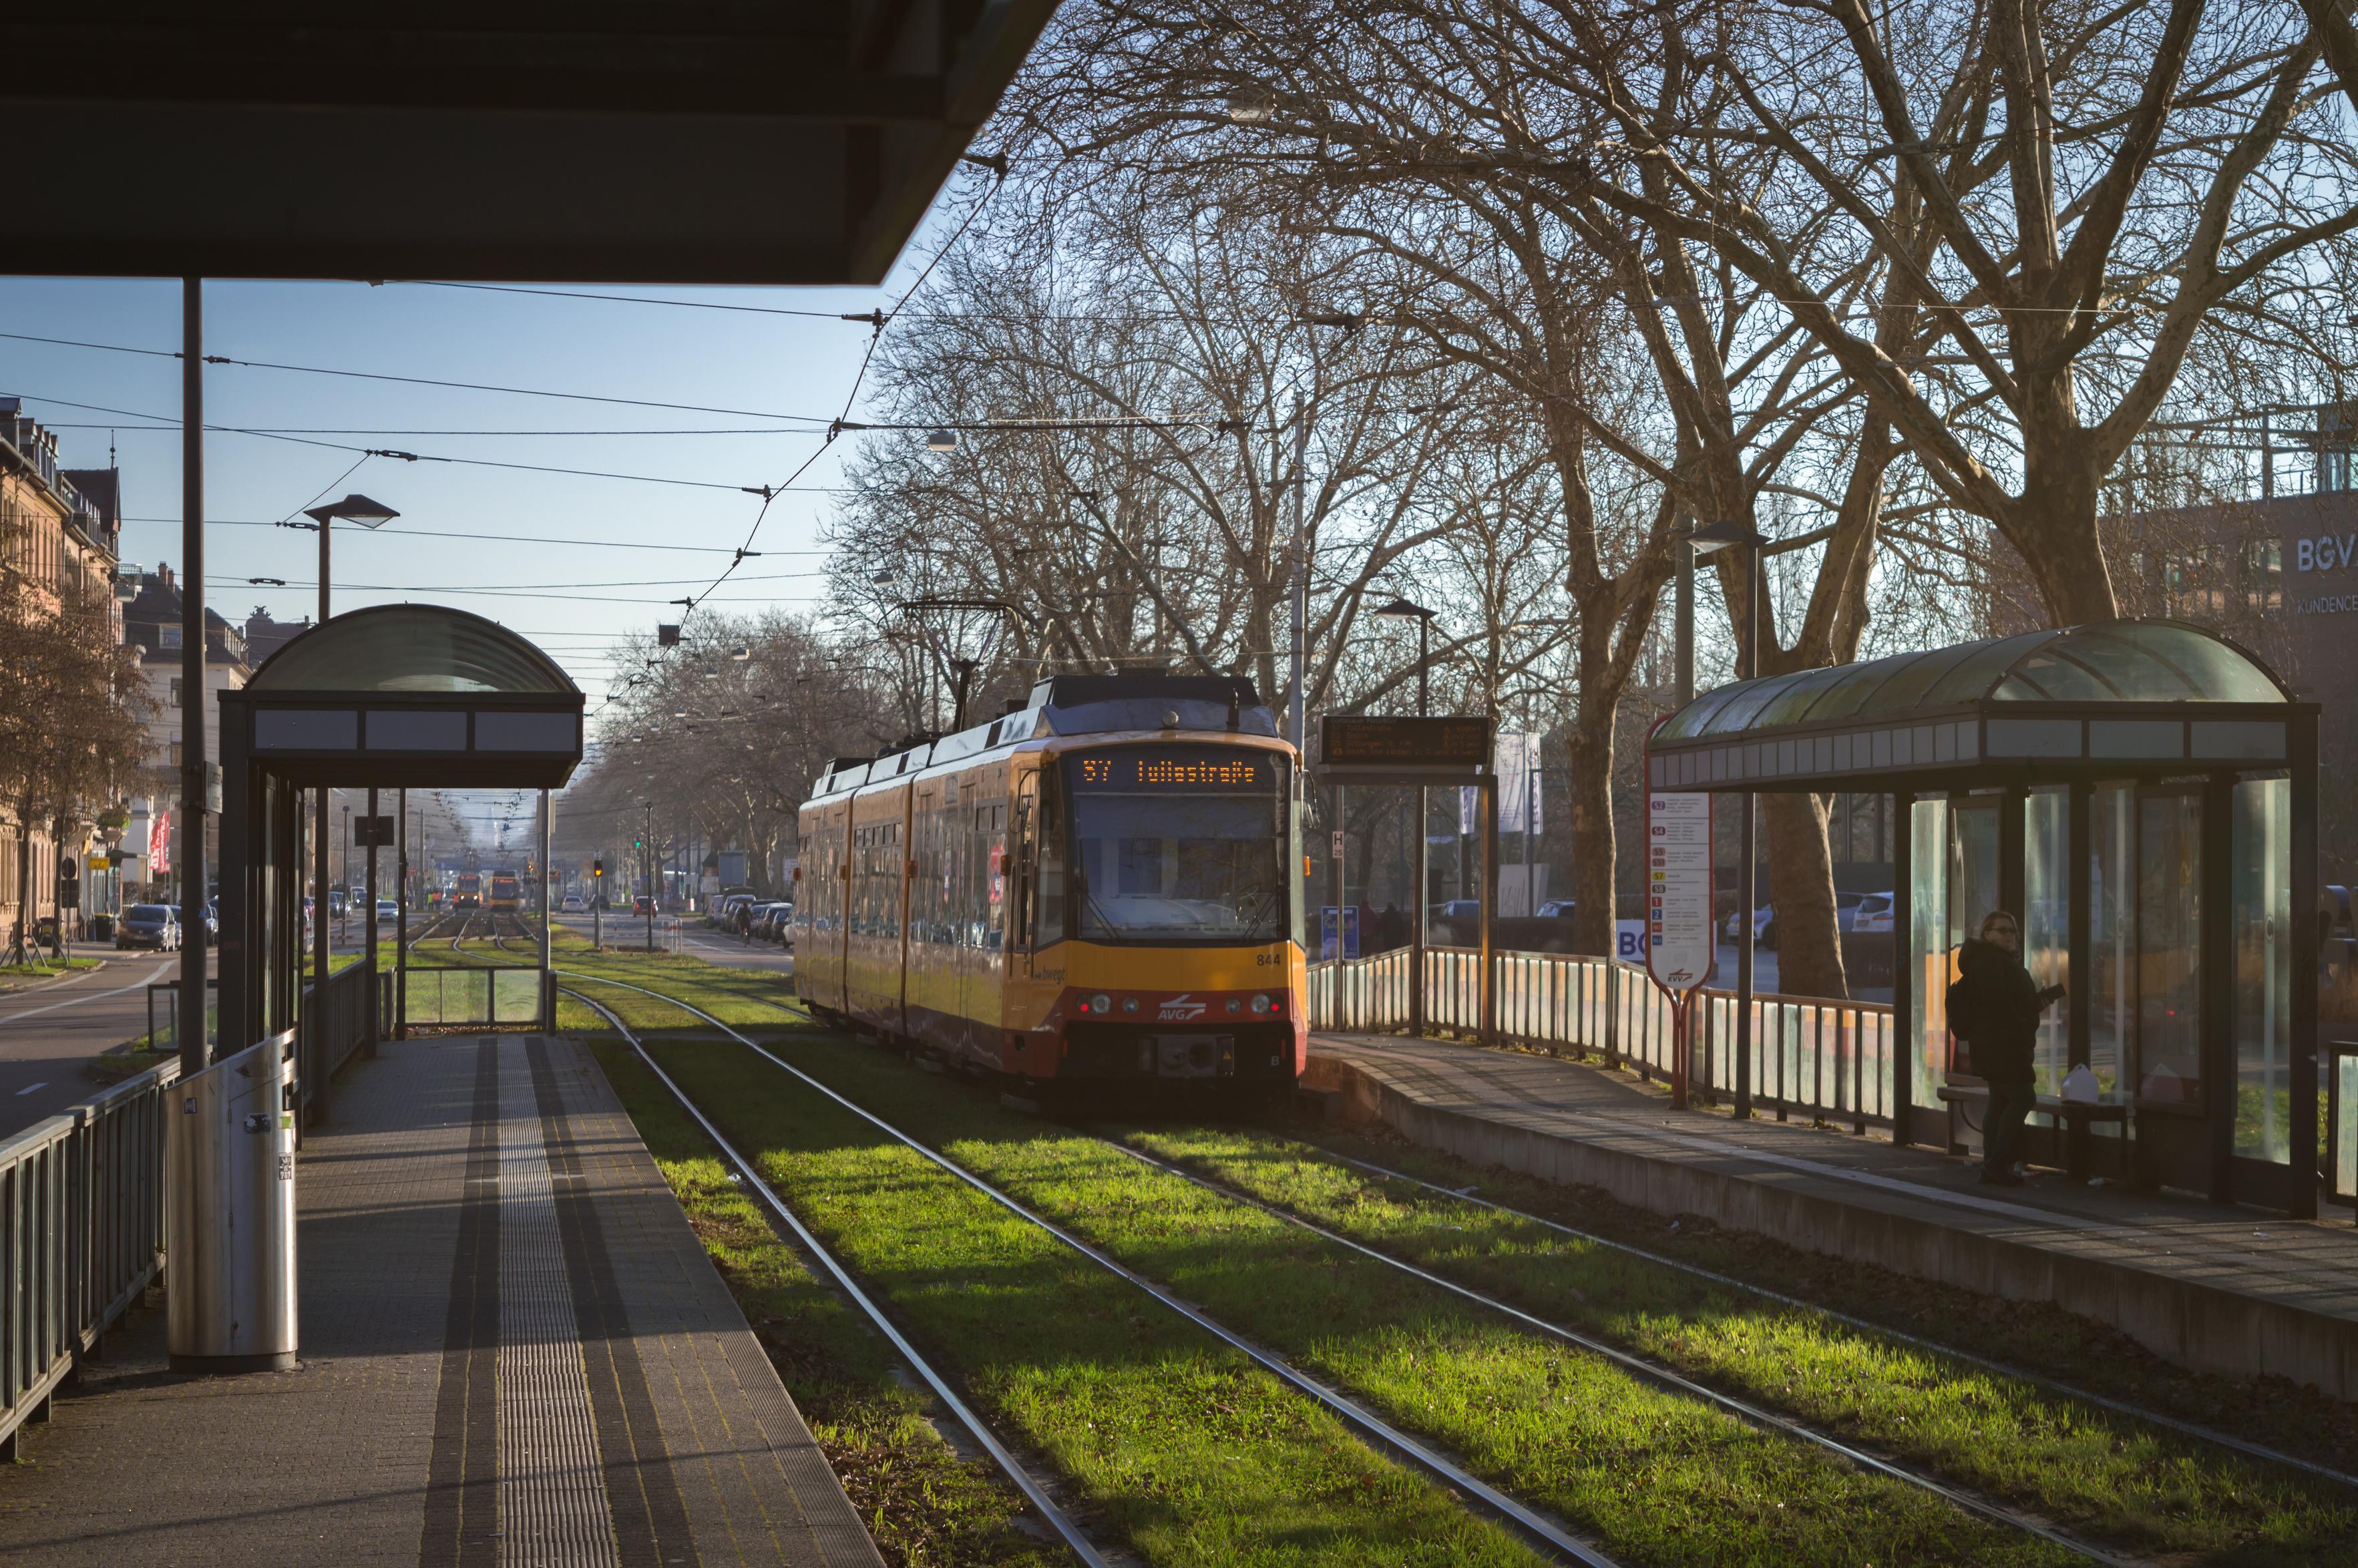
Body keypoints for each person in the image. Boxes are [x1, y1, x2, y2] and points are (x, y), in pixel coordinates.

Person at [1949, 911, 2065, 1186]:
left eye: (2012, 931)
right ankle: (1997, 1162)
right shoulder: (1989, 962)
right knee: (2023, 1097)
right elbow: (1998, 1005)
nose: (2009, 935)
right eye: (2002, 930)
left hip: (1995, 1045)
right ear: (1986, 933)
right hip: (2003, 1046)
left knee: (2000, 1101)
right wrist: (2022, 1027)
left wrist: (2035, 1003)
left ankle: (1993, 1164)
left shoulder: (1995, 961)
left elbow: (2010, 1003)